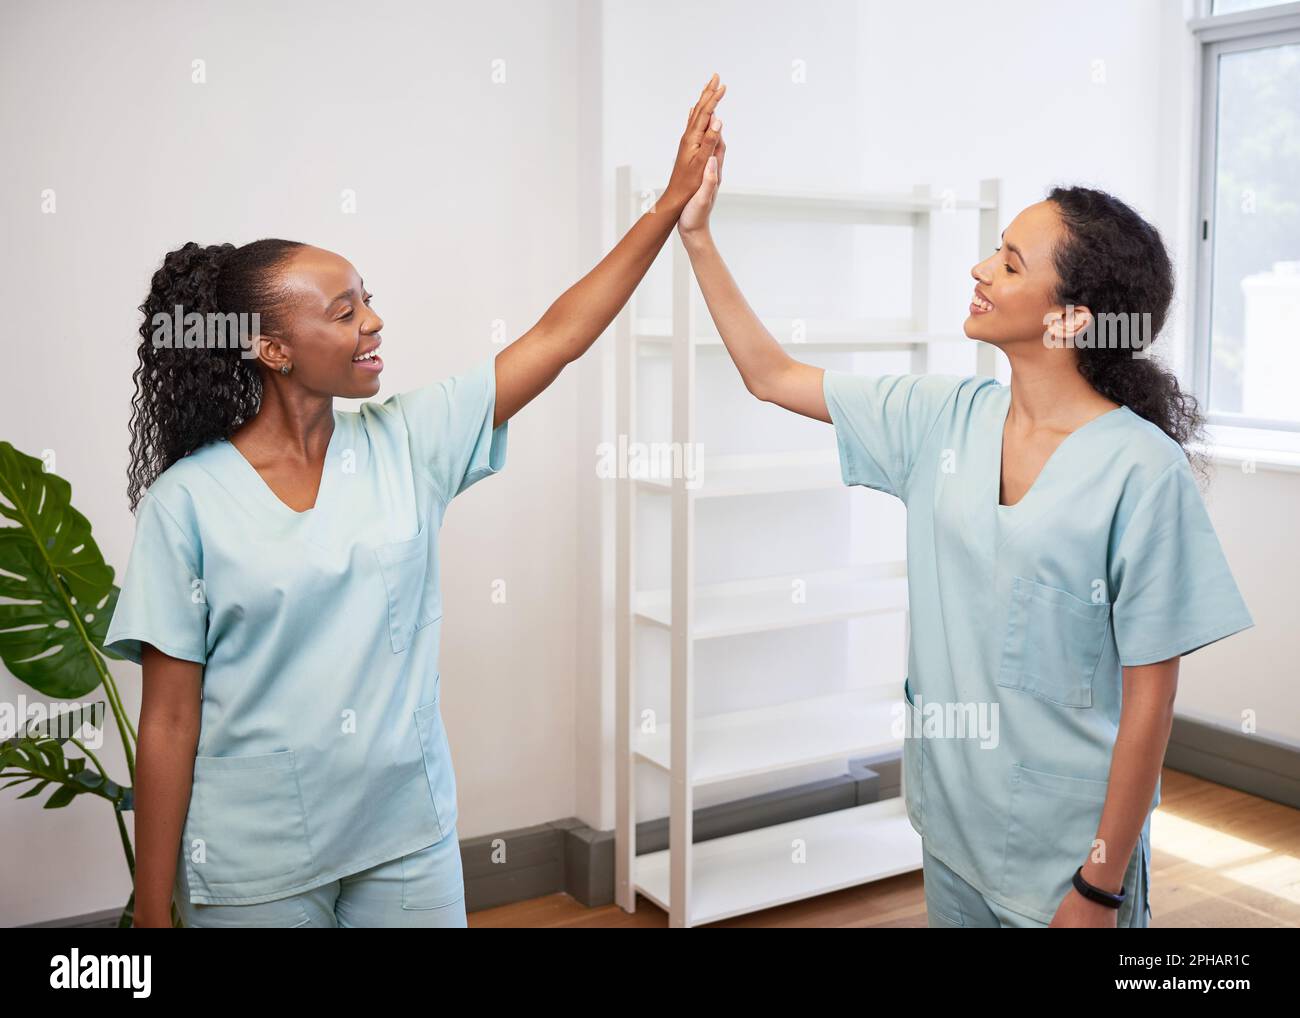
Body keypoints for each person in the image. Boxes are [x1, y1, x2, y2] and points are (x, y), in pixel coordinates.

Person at [106, 75, 727, 929]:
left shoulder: (408, 440)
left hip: (406, 837)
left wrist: (666, 205)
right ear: (275, 349)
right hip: (256, 864)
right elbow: (170, 720)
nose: (375, 323)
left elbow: (558, 336)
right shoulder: (187, 505)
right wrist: (149, 916)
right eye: (346, 310)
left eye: (369, 299)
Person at [675, 139, 1254, 927]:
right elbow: (770, 375)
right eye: (994, 252)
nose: (981, 271)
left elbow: (1151, 704)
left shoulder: (1141, 472)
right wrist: (697, 233)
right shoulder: (939, 418)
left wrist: (1099, 887)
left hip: (1069, 858)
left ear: (1070, 318)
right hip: (952, 833)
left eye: (1011, 263)